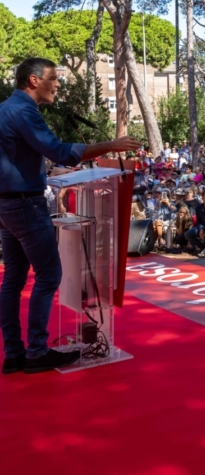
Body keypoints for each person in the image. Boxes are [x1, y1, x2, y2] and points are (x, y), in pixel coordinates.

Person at [0, 57, 140, 375]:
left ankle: (14, 354)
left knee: (12, 282)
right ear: (34, 81)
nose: (58, 84)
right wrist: (112, 145)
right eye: (53, 78)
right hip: (26, 205)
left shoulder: (3, 109)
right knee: (49, 276)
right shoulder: (23, 111)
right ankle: (36, 353)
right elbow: (60, 151)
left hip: (6, 205)